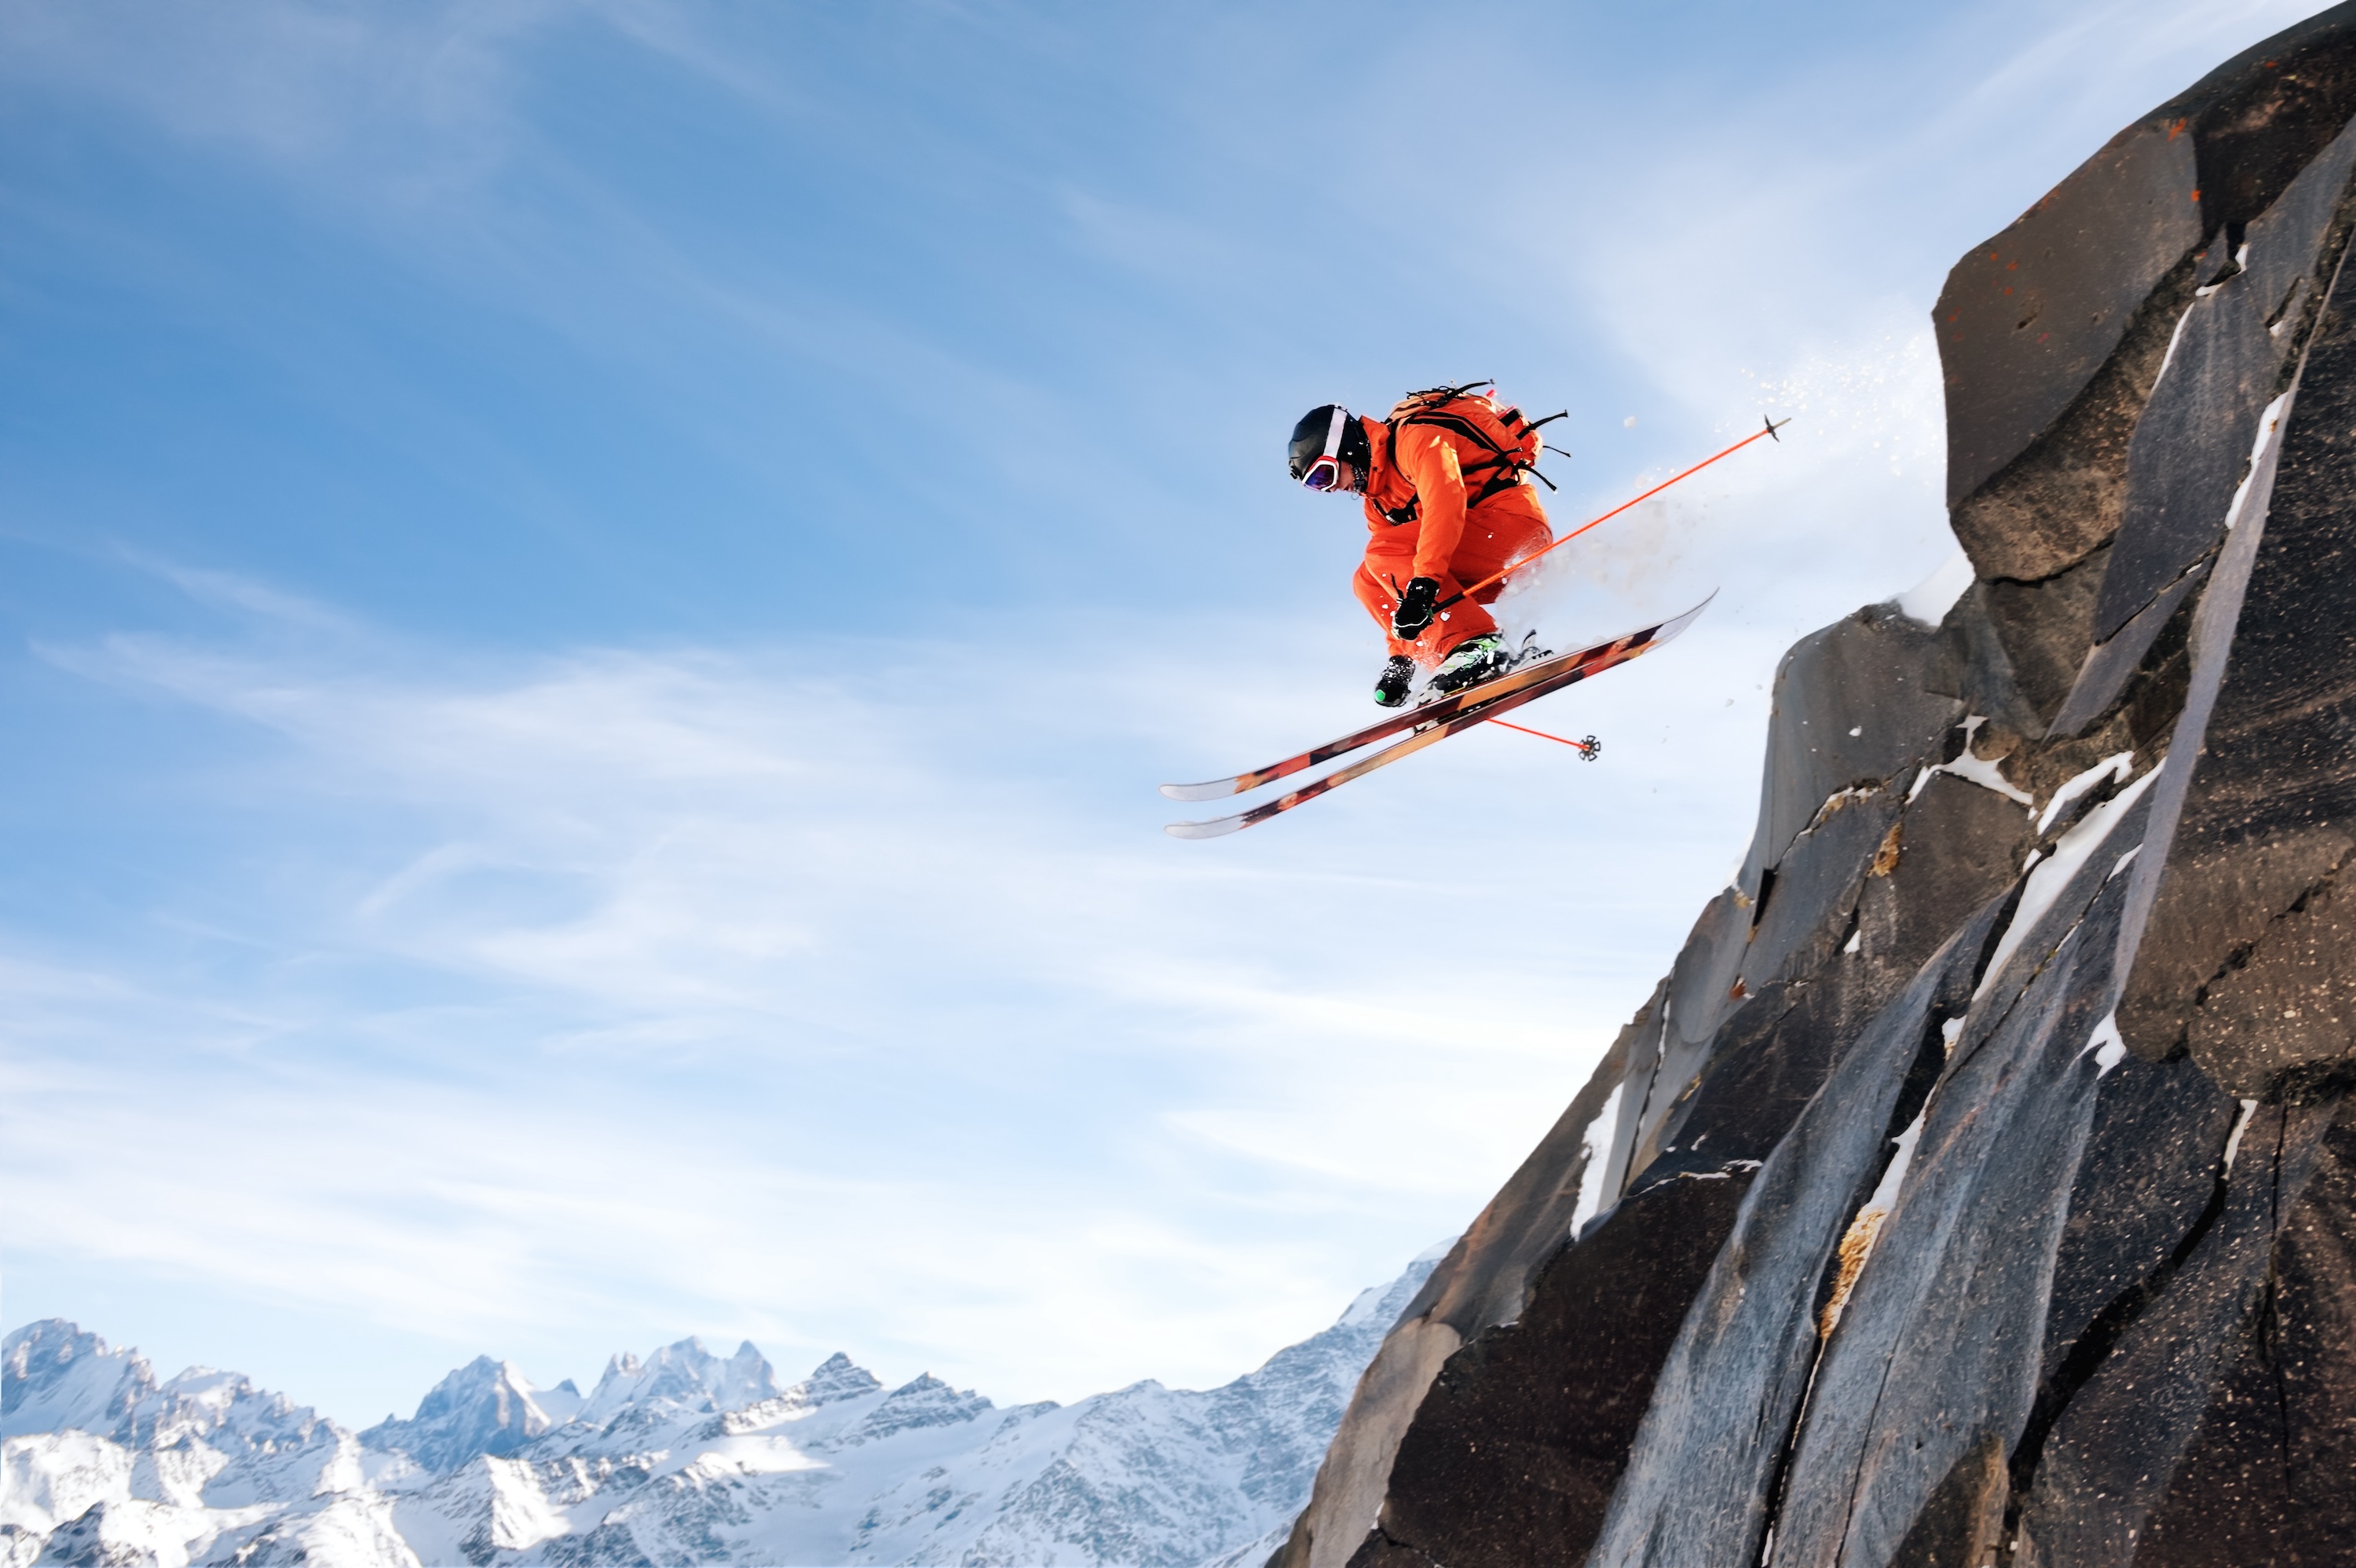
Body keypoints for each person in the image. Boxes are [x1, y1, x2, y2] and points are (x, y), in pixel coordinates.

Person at [1288, 385, 1557, 707]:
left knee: (1383, 552)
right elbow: (1391, 580)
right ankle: (1456, 657)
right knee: (1366, 579)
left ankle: (1476, 645)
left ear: (1345, 446)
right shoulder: (1377, 504)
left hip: (1515, 533)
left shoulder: (1416, 438)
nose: (1330, 489)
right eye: (1317, 487)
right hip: (1477, 560)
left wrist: (1424, 584)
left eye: (1324, 475)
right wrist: (1403, 658)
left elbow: (1447, 502)